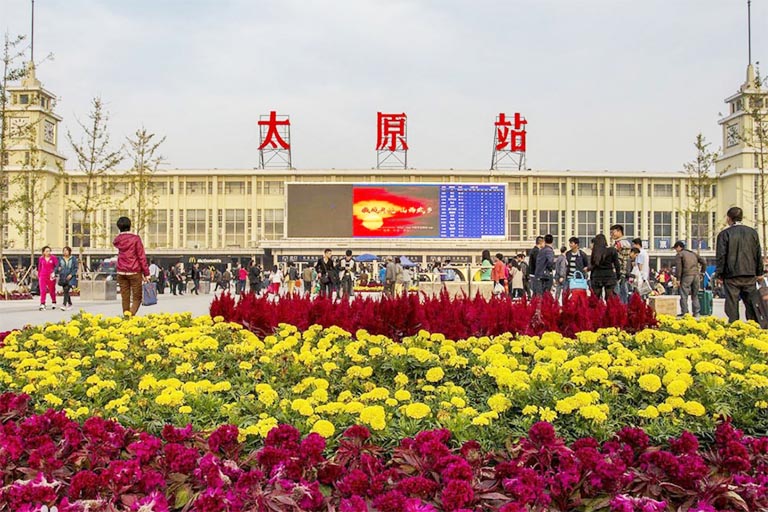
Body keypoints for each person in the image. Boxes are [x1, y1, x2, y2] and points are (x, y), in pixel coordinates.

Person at [715, 206, 763, 323]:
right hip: (749, 274)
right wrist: (759, 273)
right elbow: (758, 254)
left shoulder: (724, 234)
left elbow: (721, 256)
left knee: (732, 304)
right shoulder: (752, 233)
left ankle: (734, 327)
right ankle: (753, 327)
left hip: (731, 276)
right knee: (751, 304)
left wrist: (719, 275)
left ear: (729, 218)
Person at [113, 216, 150, 316]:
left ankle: (126, 316)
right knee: (137, 297)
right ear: (130, 226)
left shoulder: (118, 240)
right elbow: (141, 256)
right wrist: (146, 273)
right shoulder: (135, 239)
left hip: (121, 271)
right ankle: (130, 317)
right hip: (134, 271)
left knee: (125, 297)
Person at [673, 241, 706, 317]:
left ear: (679, 247)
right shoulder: (693, 253)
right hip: (696, 275)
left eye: (675, 248)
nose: (675, 250)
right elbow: (704, 262)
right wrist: (702, 272)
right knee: (695, 295)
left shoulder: (680, 254)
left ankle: (685, 313)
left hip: (686, 276)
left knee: (684, 295)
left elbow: (679, 267)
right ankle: (696, 312)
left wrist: (678, 279)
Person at [589, 234, 621, 300]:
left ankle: (596, 310)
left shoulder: (595, 252)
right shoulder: (612, 250)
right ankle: (609, 310)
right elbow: (617, 264)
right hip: (609, 275)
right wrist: (618, 275)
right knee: (610, 299)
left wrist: (591, 276)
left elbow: (593, 264)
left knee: (595, 298)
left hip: (597, 275)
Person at [610, 224, 632, 303]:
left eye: (613, 232)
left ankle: (621, 310)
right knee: (623, 293)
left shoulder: (620, 243)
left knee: (619, 294)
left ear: (619, 231)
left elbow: (616, 258)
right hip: (623, 272)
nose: (612, 235)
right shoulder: (624, 242)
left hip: (619, 272)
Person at [37, 245, 59, 311]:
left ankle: (54, 301)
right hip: (43, 275)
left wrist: (54, 272)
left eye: (49, 251)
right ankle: (42, 303)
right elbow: (39, 267)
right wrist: (39, 275)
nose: (48, 252)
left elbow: (57, 266)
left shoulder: (53, 258)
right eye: (46, 251)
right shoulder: (41, 258)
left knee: (52, 290)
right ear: (43, 252)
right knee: (43, 290)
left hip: (51, 276)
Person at [56, 246, 78, 311]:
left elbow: (75, 268)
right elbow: (57, 267)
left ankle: (64, 304)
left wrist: (71, 274)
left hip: (71, 277)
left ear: (69, 251)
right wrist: (57, 270)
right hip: (63, 277)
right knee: (66, 291)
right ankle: (70, 304)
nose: (65, 252)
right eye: (64, 250)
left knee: (66, 289)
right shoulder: (60, 259)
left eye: (66, 250)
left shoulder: (73, 258)